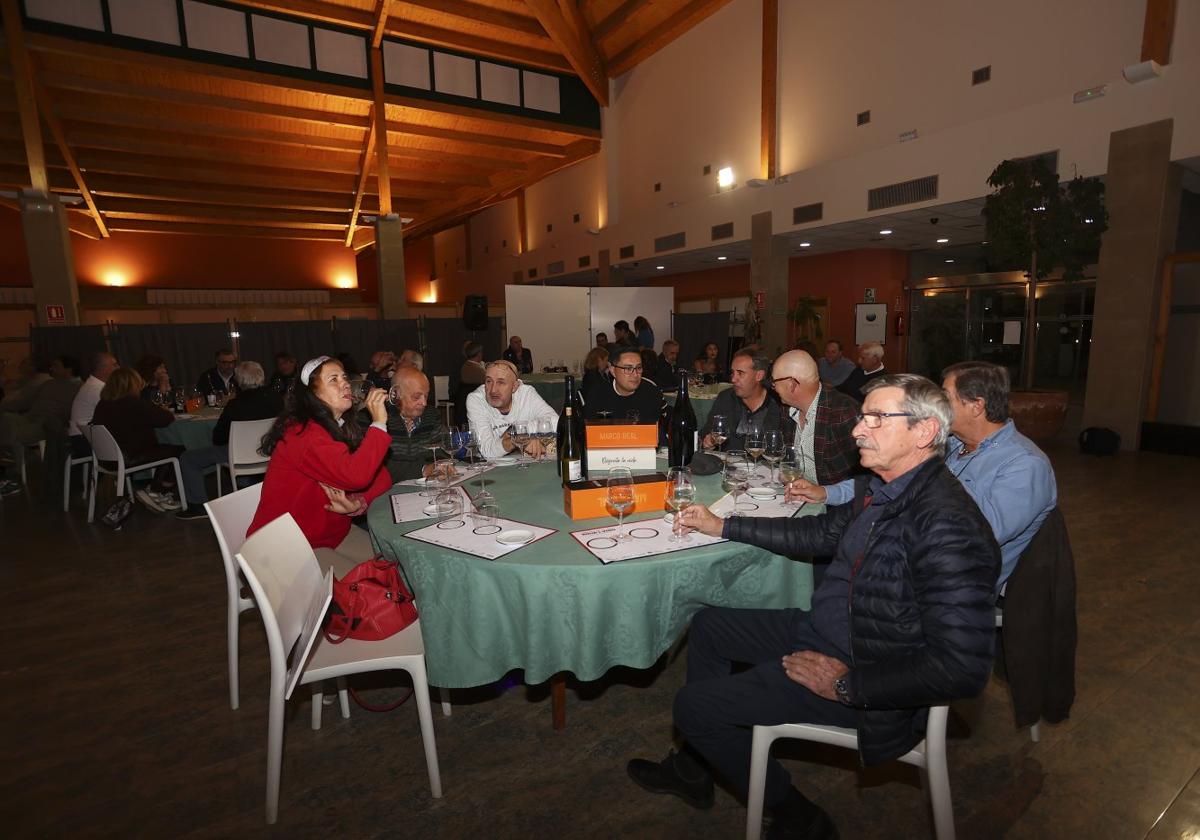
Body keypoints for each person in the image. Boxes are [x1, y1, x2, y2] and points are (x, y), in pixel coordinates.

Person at [628, 374, 1000, 837]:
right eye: (863, 417)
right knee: (707, 626)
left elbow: (962, 667)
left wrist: (848, 685)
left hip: (869, 676)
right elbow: (819, 534)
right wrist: (722, 525)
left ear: (924, 433)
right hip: (838, 628)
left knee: (692, 708)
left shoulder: (946, 525)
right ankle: (696, 768)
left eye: (876, 419)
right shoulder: (885, 486)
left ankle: (797, 814)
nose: (857, 429)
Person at [791, 361, 1057, 592]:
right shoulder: (953, 445)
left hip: (945, 585)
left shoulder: (1024, 465)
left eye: (945, 398)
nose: (934, 406)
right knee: (822, 557)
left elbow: (976, 535)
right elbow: (887, 481)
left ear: (976, 406)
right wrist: (827, 492)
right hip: (904, 557)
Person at [248, 356, 392, 568]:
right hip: (286, 546)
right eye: (333, 379)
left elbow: (381, 477)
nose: (344, 383)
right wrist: (378, 424)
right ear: (312, 395)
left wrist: (357, 503)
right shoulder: (303, 434)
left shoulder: (338, 427)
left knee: (391, 567)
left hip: (328, 535)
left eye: (344, 377)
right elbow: (356, 476)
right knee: (368, 591)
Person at [175, 362, 284, 521]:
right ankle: (248, 482)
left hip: (241, 454)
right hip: (269, 451)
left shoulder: (235, 404)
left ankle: (197, 505)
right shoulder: (276, 398)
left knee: (188, 458)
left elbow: (218, 437)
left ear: (239, 380)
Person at [93, 367, 184, 512]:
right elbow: (165, 419)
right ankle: (157, 491)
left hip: (106, 459)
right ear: (133, 384)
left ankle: (155, 491)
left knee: (165, 449)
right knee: (179, 450)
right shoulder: (133, 403)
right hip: (129, 456)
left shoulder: (102, 405)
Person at [769, 349, 860, 484]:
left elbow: (867, 478)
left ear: (791, 385)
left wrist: (824, 493)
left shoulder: (843, 412)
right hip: (797, 494)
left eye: (774, 382)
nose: (773, 388)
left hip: (836, 502)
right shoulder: (787, 410)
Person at [0, 356, 81, 497]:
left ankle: (11, 463)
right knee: (6, 418)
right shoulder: (49, 384)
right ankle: (7, 454)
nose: (51, 369)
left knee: (15, 431)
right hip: (29, 417)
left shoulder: (78, 387)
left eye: (56, 366)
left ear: (68, 369)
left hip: (46, 424)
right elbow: (26, 401)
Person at [465, 360, 558, 461]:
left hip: (522, 462)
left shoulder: (526, 393)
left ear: (514, 387)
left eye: (501, 382)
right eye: (489, 381)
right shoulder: (476, 399)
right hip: (489, 467)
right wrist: (515, 440)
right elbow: (487, 451)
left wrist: (514, 431)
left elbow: (555, 421)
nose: (493, 390)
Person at [698, 350, 783, 452]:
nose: (733, 379)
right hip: (727, 465)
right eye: (733, 373)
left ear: (759, 375)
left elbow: (782, 449)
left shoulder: (778, 404)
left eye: (740, 373)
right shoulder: (725, 398)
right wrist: (708, 442)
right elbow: (706, 433)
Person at [380, 365, 449, 483]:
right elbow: (379, 468)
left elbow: (442, 453)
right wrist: (423, 469)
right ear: (395, 394)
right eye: (416, 397)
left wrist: (439, 466)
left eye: (426, 396)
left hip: (426, 487)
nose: (424, 403)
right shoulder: (378, 419)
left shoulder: (431, 415)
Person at [582, 348, 666, 428]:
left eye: (639, 368)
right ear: (613, 370)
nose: (635, 374)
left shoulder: (653, 394)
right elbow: (588, 432)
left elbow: (660, 431)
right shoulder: (597, 395)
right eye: (628, 368)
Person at [69, 352, 118, 458]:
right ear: (103, 368)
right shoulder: (96, 389)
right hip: (83, 440)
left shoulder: (94, 385)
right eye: (114, 365)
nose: (118, 368)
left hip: (86, 436)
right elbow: (115, 414)